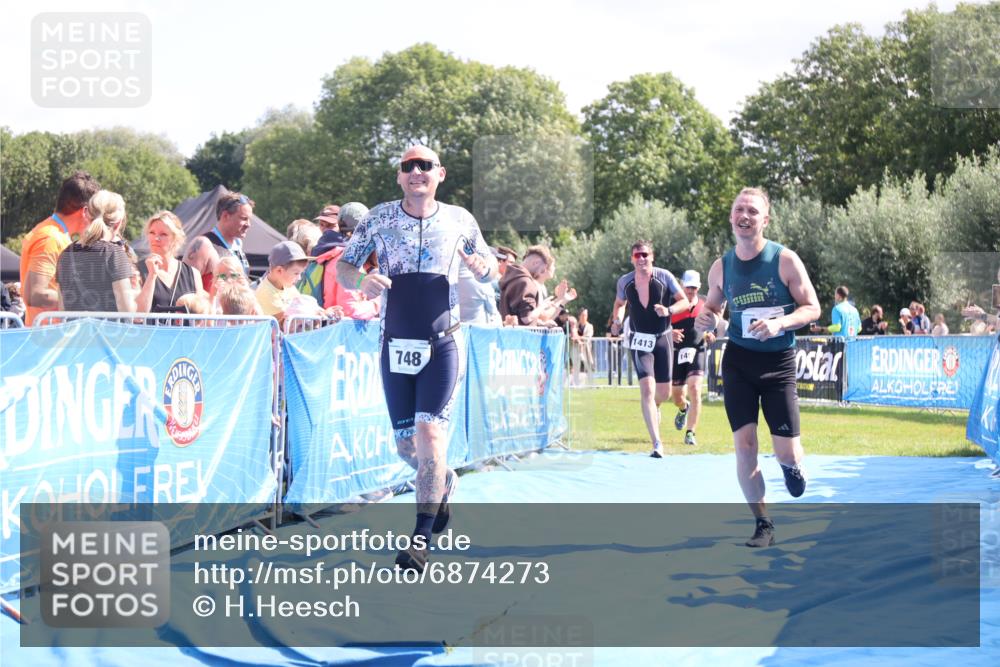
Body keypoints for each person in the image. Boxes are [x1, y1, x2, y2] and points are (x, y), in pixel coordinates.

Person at [336, 145, 498, 572]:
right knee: (407, 447)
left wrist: (483, 266)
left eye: (424, 166)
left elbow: (490, 268)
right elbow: (344, 268)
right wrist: (362, 279)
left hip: (444, 341)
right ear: (399, 176)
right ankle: (442, 483)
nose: (416, 172)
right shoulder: (378, 218)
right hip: (395, 342)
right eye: (408, 167)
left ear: (439, 173)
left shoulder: (460, 219)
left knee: (430, 436)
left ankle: (419, 541)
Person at [694, 188, 820, 548]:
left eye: (752, 210)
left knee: (786, 452)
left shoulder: (784, 260)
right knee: (745, 446)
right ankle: (763, 523)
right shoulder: (721, 266)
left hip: (778, 364)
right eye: (739, 209)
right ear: (732, 217)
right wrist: (707, 318)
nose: (744, 215)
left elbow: (812, 307)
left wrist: (780, 324)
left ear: (765, 219)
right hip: (738, 362)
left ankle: (793, 467)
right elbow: (714, 309)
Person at [609, 240, 690, 458]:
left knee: (663, 393)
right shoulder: (625, 282)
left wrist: (669, 310)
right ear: (632, 259)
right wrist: (617, 319)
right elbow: (619, 303)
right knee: (647, 389)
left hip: (663, 339)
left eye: (645, 255)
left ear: (652, 257)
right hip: (639, 340)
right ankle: (657, 443)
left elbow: (685, 302)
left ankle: (657, 407)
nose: (641, 259)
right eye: (637, 255)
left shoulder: (664, 277)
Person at [20, 171, 101, 325]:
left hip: (54, 337)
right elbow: (34, 295)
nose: (97, 221)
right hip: (48, 340)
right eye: (95, 213)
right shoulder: (50, 238)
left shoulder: (53, 233)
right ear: (85, 211)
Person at [55, 190, 136, 314]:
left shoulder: (65, 255)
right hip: (109, 332)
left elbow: (62, 308)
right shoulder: (114, 254)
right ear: (119, 223)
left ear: (86, 214)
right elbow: (127, 311)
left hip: (74, 332)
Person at [670, 270, 715, 447]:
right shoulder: (673, 304)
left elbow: (712, 323)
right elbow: (661, 326)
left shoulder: (704, 304)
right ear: (682, 285)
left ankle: (690, 433)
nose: (691, 291)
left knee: (695, 388)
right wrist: (670, 333)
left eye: (694, 288)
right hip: (676, 351)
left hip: (698, 350)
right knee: (677, 396)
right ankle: (683, 408)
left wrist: (710, 334)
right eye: (688, 287)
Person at [136, 211, 208, 315]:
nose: (156, 238)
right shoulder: (137, 270)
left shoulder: (192, 274)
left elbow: (201, 315)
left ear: (176, 238)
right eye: (152, 233)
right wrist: (151, 276)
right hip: (150, 331)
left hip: (184, 331)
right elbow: (137, 315)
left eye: (163, 234)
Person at [255, 241, 340, 327]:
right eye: (296, 273)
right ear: (279, 270)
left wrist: (325, 313)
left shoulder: (288, 286)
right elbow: (287, 321)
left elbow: (302, 305)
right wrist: (319, 314)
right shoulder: (266, 292)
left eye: (301, 273)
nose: (299, 278)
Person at [185, 191, 254, 292]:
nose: (248, 224)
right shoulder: (203, 244)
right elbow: (185, 288)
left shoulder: (238, 244)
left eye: (249, 219)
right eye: (244, 218)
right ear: (226, 216)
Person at [499, 245, 575, 327]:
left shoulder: (514, 277)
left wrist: (542, 324)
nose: (542, 272)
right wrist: (543, 306)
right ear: (535, 262)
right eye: (543, 269)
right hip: (522, 338)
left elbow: (518, 316)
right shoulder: (526, 282)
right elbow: (526, 318)